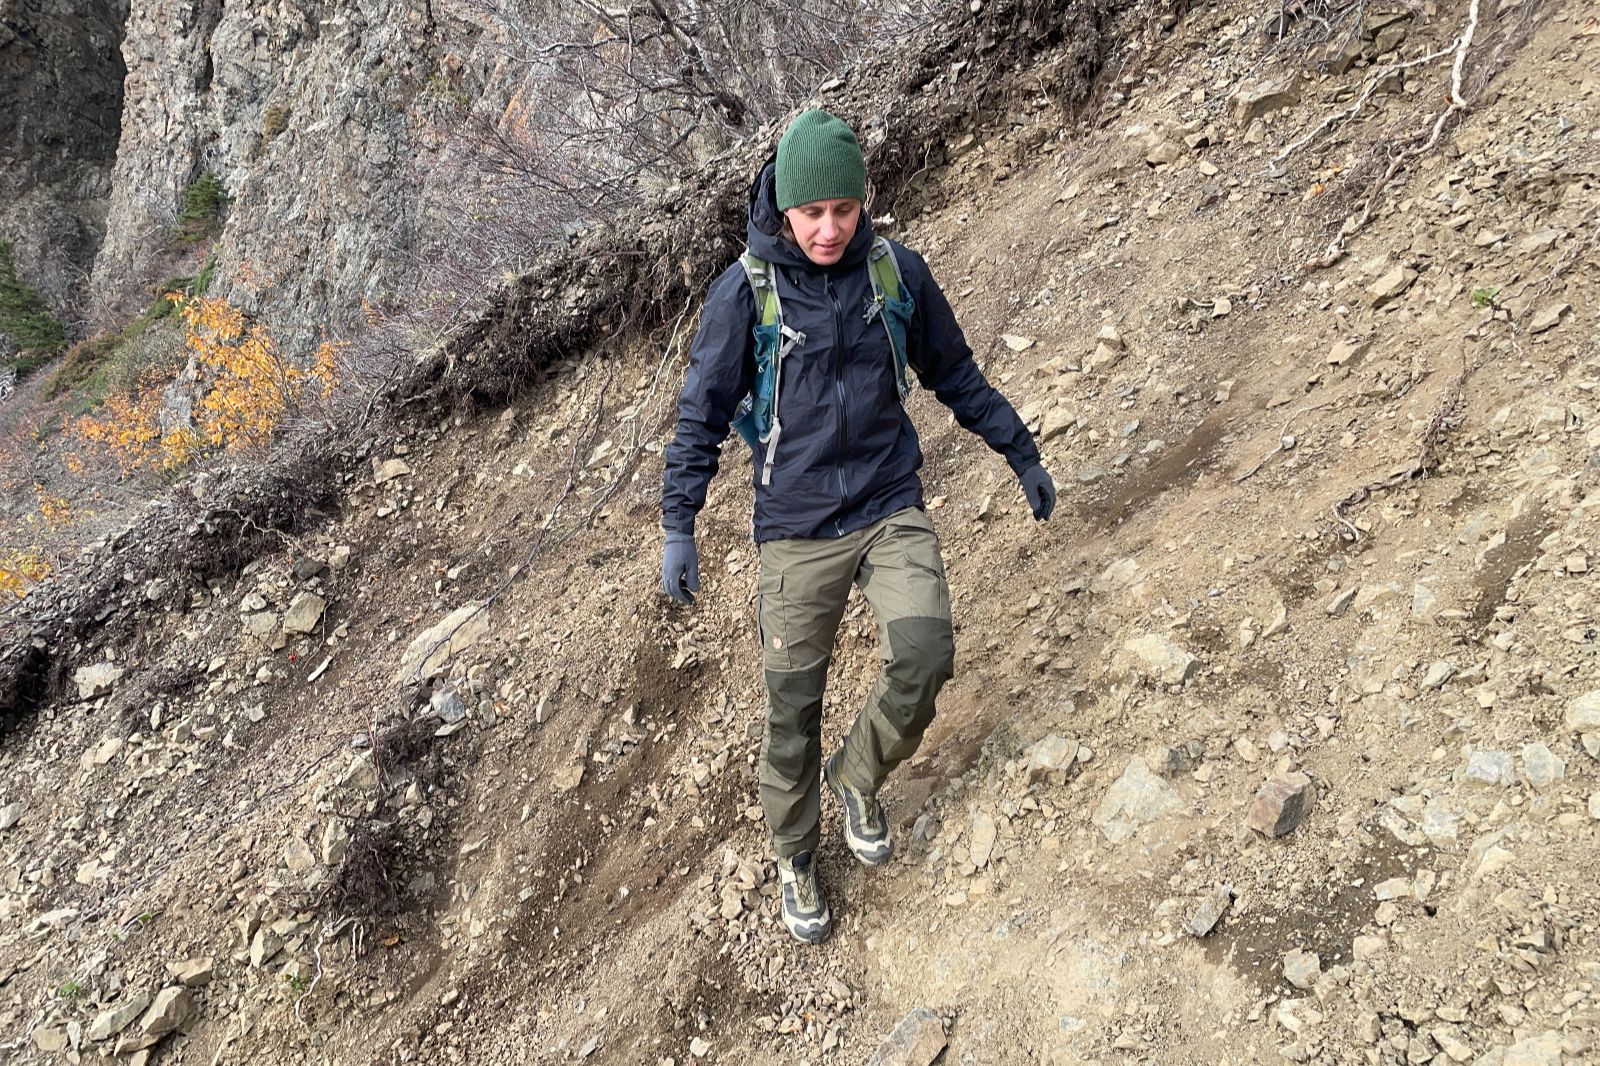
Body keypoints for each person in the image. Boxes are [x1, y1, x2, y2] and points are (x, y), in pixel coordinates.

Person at [660, 109, 1055, 944]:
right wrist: (678, 525)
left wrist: (1019, 452)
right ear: (784, 207)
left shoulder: (894, 273)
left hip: (886, 504)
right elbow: (698, 416)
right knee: (790, 710)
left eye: (844, 209)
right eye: (813, 214)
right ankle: (795, 854)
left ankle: (860, 773)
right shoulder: (745, 293)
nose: (830, 229)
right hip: (797, 529)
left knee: (925, 650)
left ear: (862, 200)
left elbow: (955, 373)